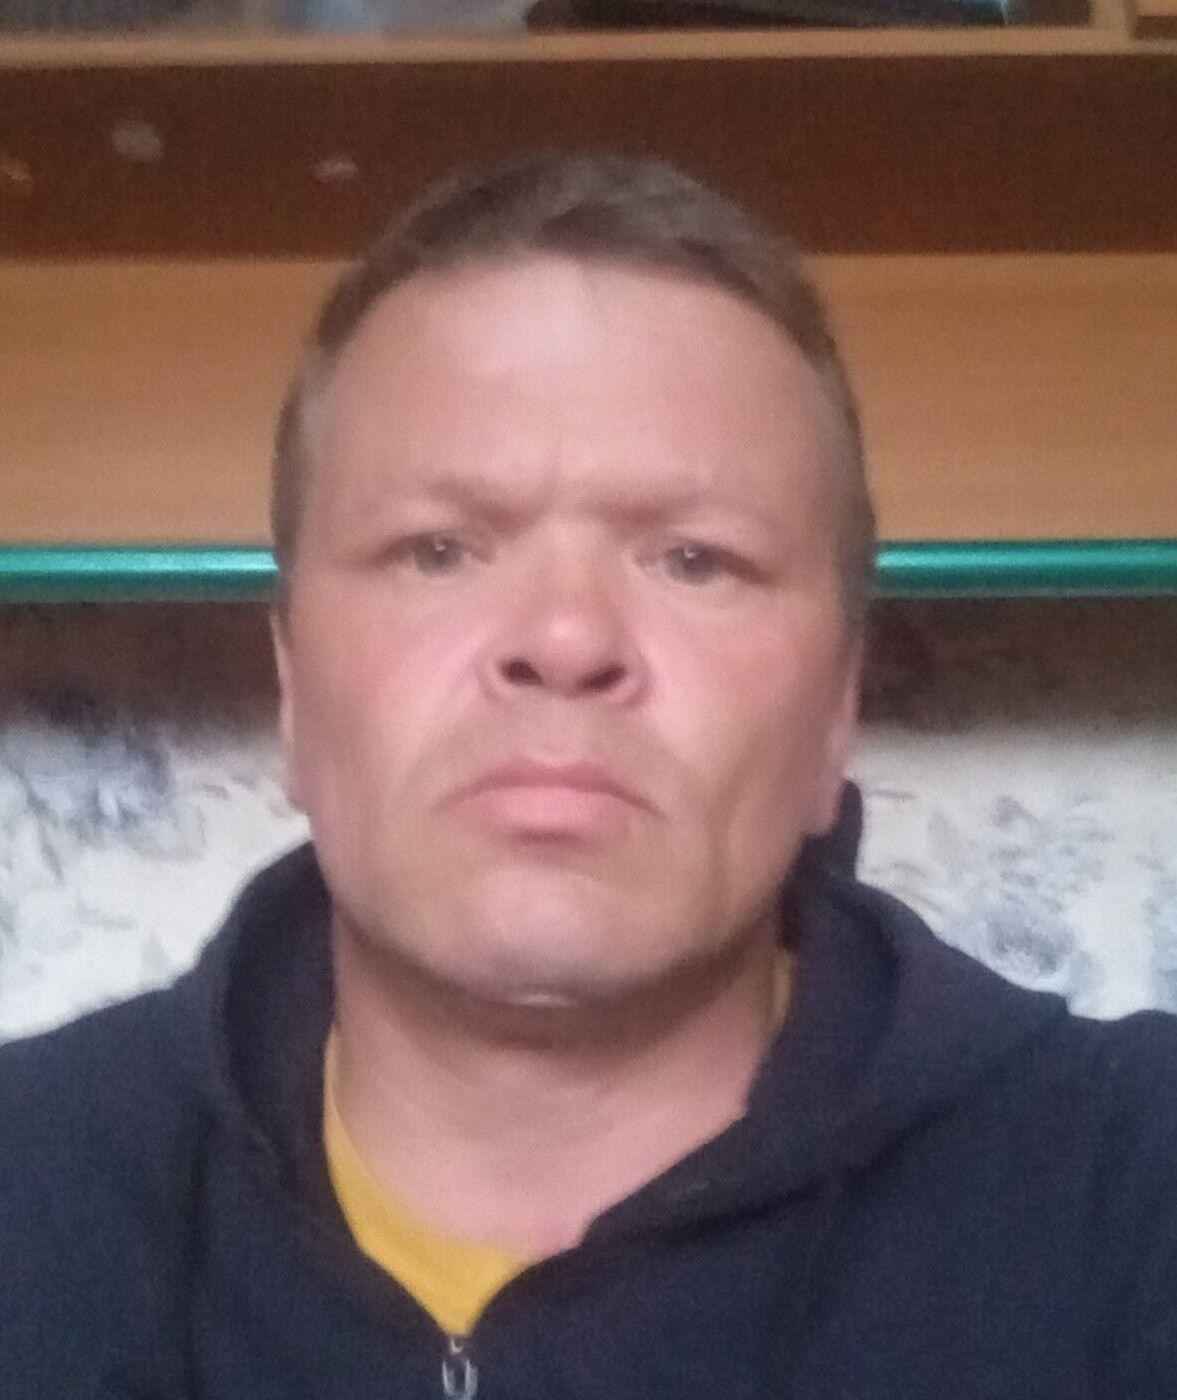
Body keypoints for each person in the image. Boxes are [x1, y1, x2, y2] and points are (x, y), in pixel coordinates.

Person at [2, 152, 1174, 1400]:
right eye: (437, 550)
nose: (564, 638)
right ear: (293, 687)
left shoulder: (1136, 1185)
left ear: (836, 710)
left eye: (695, 559)